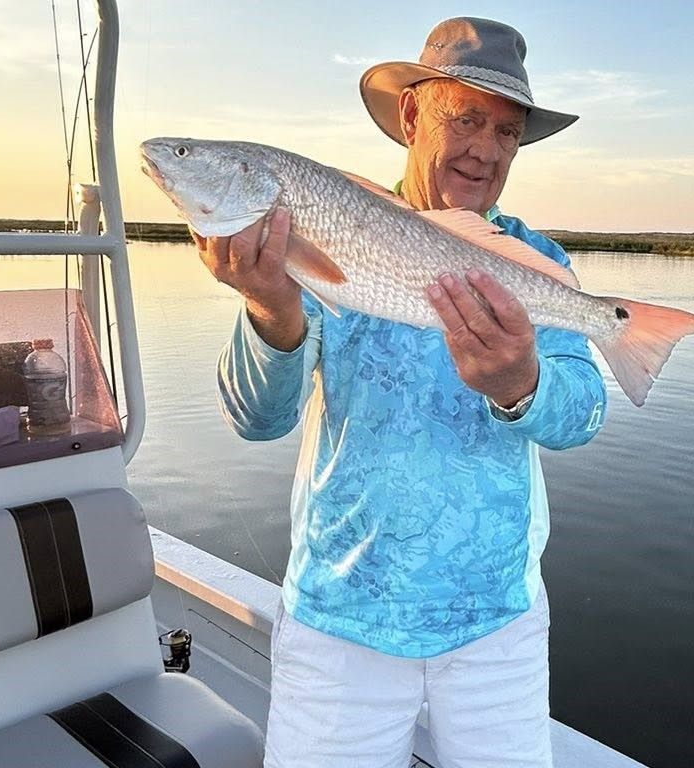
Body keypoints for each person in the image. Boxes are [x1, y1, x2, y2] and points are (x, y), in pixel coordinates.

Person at [198, 17, 604, 768]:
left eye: (507, 133)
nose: (486, 149)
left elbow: (581, 413)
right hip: (340, 620)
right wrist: (270, 308)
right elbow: (257, 419)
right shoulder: (320, 230)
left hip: (496, 622)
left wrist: (523, 384)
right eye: (467, 119)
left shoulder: (538, 261)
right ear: (413, 115)